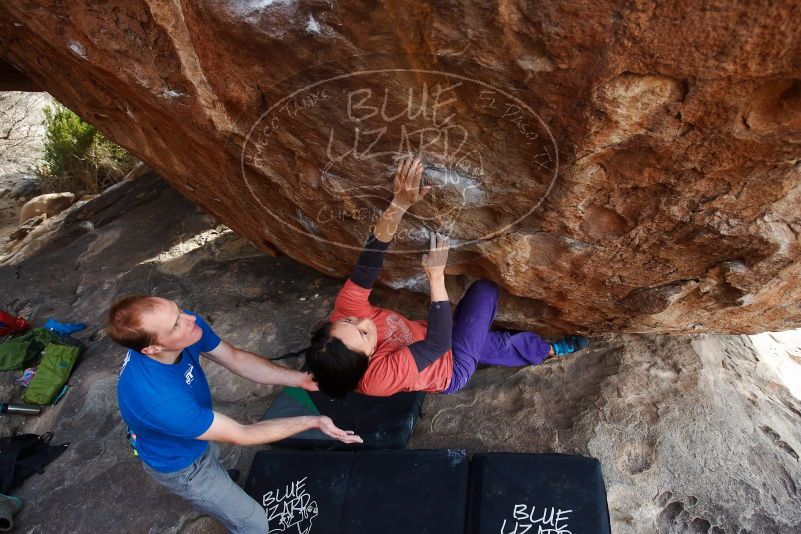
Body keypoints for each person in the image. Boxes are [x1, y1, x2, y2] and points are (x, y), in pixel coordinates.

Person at [306, 155, 589, 398]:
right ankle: (513, 347)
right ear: (365, 361)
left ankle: (545, 350)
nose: (363, 320)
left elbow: (370, 260)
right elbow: (438, 345)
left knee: (483, 341)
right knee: (485, 292)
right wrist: (436, 275)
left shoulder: (346, 313)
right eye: (365, 334)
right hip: (450, 368)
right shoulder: (377, 379)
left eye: (348, 321)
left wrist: (399, 204)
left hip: (435, 334)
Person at [108, 296, 362, 533]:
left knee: (212, 455)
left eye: (178, 309)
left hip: (194, 435)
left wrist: (298, 380)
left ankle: (220, 480)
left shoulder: (186, 328)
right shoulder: (160, 401)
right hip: (182, 466)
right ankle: (216, 493)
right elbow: (242, 434)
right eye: (176, 324)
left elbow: (234, 358)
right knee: (256, 524)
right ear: (152, 349)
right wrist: (313, 421)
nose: (191, 319)